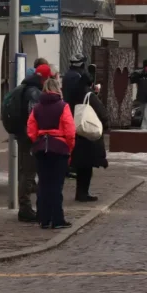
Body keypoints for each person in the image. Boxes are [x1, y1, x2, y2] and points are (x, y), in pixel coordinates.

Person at [27, 77, 76, 229]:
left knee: (43, 184)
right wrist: (69, 147)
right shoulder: (63, 106)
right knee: (56, 185)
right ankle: (57, 219)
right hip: (59, 148)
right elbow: (70, 130)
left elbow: (31, 130)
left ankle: (43, 218)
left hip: (42, 148)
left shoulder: (37, 108)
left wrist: (38, 140)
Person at [66, 70, 109, 202]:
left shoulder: (73, 93)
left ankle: (80, 192)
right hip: (87, 133)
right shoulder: (89, 95)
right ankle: (83, 193)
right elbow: (102, 112)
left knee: (80, 166)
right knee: (87, 166)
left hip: (76, 132)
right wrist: (105, 125)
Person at [15, 64, 50, 223]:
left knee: (25, 172)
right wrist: (36, 137)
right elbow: (34, 117)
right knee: (28, 173)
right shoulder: (34, 93)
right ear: (45, 78)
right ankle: (25, 208)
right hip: (29, 138)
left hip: (23, 136)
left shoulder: (27, 87)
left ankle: (25, 206)